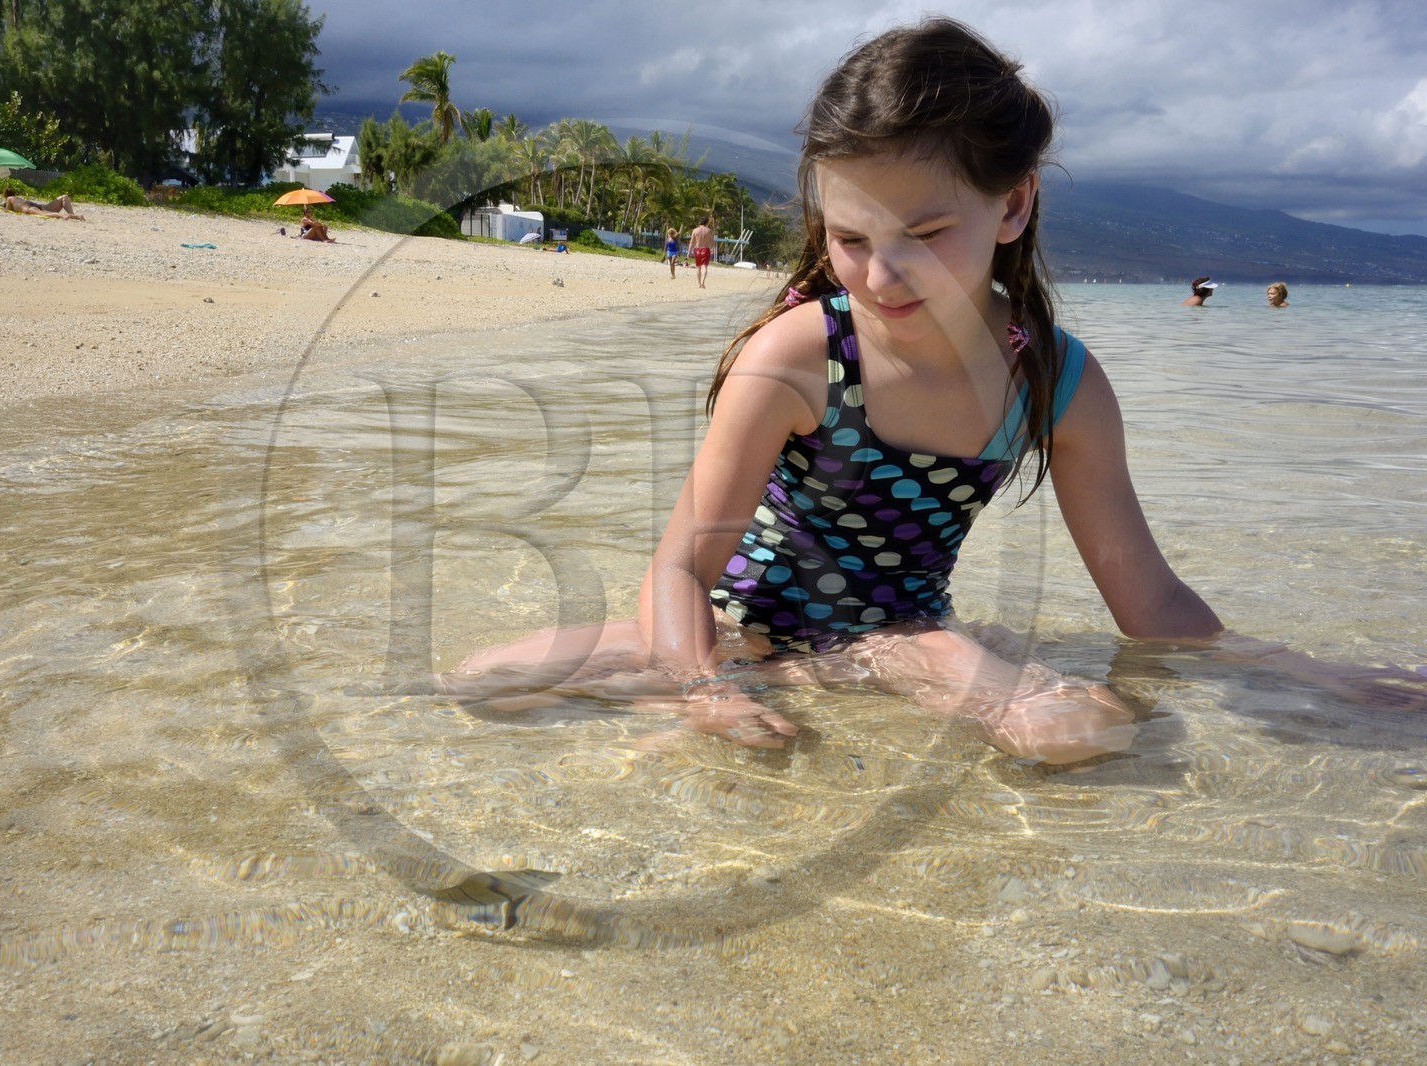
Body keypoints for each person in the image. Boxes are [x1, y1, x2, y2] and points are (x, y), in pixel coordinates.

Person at [441, 18, 1423, 764]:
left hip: (902, 638)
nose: (878, 276)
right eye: (852, 237)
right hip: (734, 633)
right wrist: (701, 693)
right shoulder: (797, 357)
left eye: (924, 232)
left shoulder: (1056, 385)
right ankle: (804, 676)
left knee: (1072, 735)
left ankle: (898, 675)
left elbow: (1150, 601)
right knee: (479, 687)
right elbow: (677, 577)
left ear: (1014, 202)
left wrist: (1311, 678)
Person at [2, 187, 84, 221]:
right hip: (35, 204)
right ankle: (74, 215)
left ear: (6, 196)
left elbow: (8, 210)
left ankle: (65, 216)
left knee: (45, 214)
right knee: (64, 197)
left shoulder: (9, 199)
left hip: (28, 208)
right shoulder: (18, 198)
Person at [690, 217, 717, 288]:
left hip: (697, 249)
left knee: (698, 267)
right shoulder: (709, 231)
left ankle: (699, 284)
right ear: (707, 223)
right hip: (705, 250)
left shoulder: (695, 230)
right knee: (704, 266)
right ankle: (702, 283)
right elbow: (712, 241)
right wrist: (713, 249)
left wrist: (689, 252)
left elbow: (692, 242)